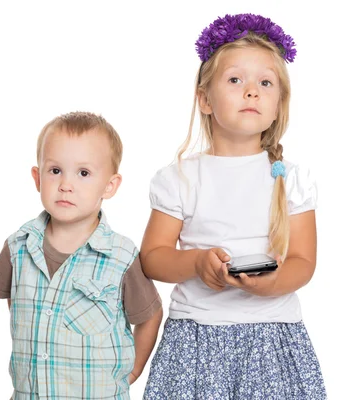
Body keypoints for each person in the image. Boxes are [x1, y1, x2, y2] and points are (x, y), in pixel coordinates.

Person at [140, 14, 326, 399]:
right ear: (205, 100)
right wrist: (195, 263)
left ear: (278, 106)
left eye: (265, 82)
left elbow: (304, 262)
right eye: (235, 80)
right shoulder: (180, 178)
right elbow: (153, 258)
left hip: (272, 337)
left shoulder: (290, 180)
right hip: (195, 340)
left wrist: (272, 283)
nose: (251, 92)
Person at [0, 111, 163, 399]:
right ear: (37, 177)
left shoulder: (121, 256)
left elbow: (150, 316)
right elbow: (15, 303)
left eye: (83, 173)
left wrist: (131, 372)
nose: (66, 184)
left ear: (110, 185)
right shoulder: (17, 247)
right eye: (55, 171)